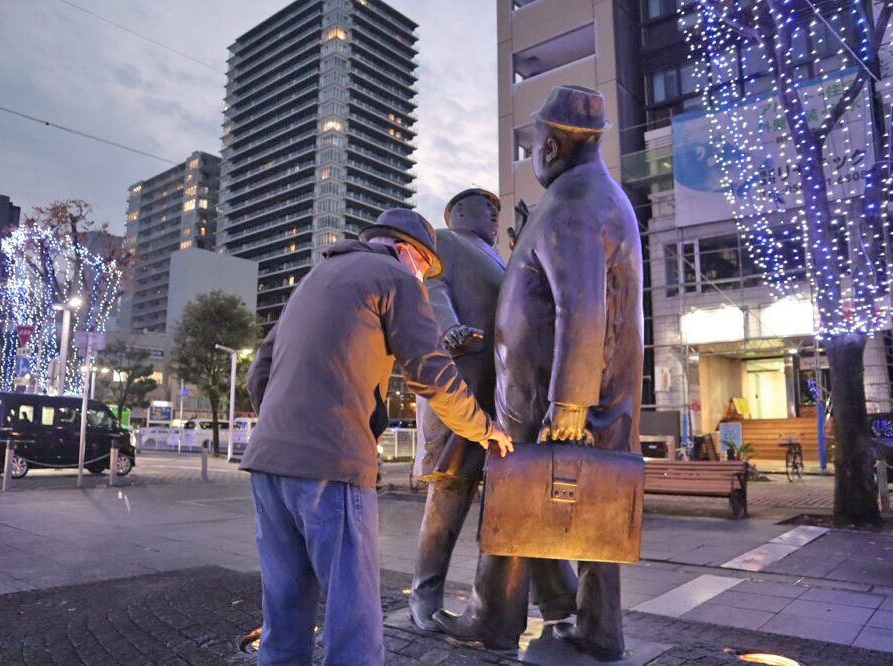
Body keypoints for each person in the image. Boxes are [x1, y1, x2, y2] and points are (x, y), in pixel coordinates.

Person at [240, 208, 513, 665]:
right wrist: (484, 429)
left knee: (284, 614)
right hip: (331, 465)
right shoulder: (396, 278)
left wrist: (284, 423)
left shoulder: (315, 277)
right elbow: (430, 371)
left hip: (267, 464)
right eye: (427, 268)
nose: (425, 280)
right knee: (353, 622)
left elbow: (258, 372)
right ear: (407, 252)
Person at [434, 86, 644, 660]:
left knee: (515, 498)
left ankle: (496, 618)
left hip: (554, 394)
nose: (532, 155)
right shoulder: (595, 196)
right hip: (574, 390)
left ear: (550, 146)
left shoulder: (574, 202)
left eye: (533, 145)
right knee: (575, 506)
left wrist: (569, 404)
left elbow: (582, 307)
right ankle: (591, 625)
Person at [409, 189, 575, 632]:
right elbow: (431, 287)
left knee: (517, 495)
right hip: (457, 385)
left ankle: (556, 600)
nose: (493, 215)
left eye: (496, 210)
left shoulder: (501, 258)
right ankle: (425, 594)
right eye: (486, 207)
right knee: (450, 492)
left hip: (504, 393)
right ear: (459, 210)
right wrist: (449, 330)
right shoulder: (445, 240)